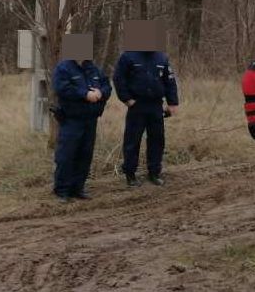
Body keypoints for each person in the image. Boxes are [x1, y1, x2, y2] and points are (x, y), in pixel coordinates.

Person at [112, 45, 179, 186]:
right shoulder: (128, 56)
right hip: (137, 105)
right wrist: (127, 99)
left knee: (157, 139)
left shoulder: (162, 57)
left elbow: (170, 81)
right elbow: (119, 79)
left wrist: (172, 103)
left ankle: (154, 172)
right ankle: (130, 174)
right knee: (132, 141)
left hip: (156, 106)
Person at [51, 53, 111, 201]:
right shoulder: (63, 68)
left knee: (85, 155)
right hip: (71, 119)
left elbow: (107, 86)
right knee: (66, 155)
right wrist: (84, 94)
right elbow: (62, 88)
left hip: (90, 119)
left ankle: (78, 188)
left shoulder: (94, 69)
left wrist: (101, 92)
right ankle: (62, 190)